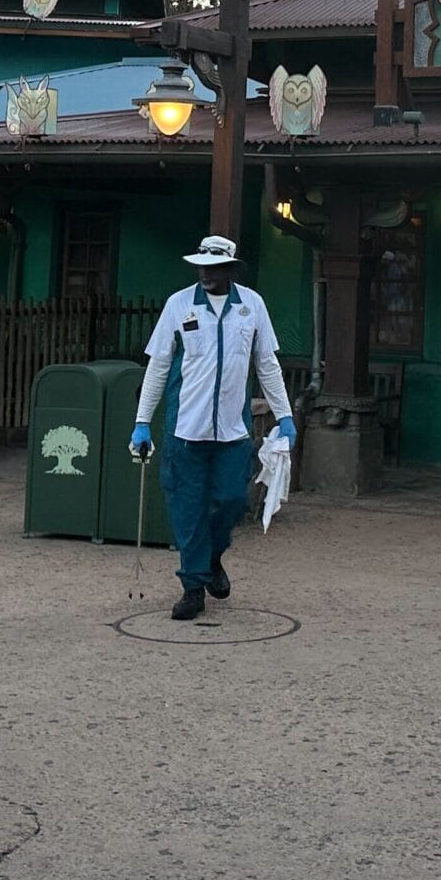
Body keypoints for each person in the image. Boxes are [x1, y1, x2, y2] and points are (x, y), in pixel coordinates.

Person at [128, 235, 295, 621]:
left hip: (233, 431)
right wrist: (142, 422)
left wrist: (285, 416)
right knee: (188, 510)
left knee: (233, 500)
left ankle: (213, 556)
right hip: (185, 429)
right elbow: (157, 366)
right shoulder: (179, 304)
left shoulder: (251, 305)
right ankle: (192, 587)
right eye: (202, 266)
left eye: (214, 267)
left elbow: (266, 363)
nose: (206, 273)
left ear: (231, 270)